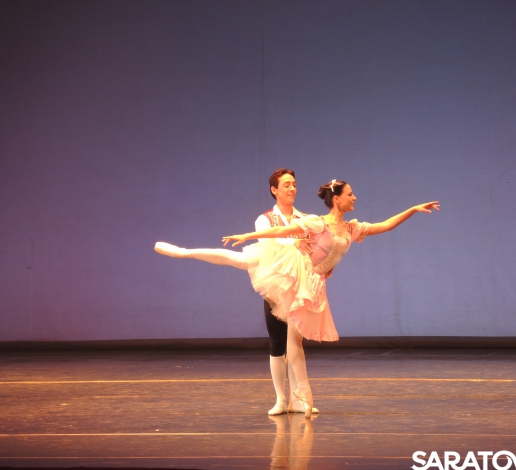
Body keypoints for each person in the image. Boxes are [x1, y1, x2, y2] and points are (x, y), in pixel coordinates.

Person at [155, 180, 440, 418]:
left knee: (295, 340)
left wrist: (413, 209)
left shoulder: (352, 228)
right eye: (350, 194)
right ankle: (183, 252)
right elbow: (281, 230)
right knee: (239, 259)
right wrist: (248, 234)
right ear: (337, 199)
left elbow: (386, 225)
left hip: (313, 280)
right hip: (293, 268)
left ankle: (300, 398)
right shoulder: (317, 222)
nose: (355, 198)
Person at [254, 168, 320, 416]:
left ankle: (298, 399)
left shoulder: (303, 218)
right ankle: (281, 399)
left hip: (299, 287)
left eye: (294, 184)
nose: (292, 189)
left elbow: (314, 247)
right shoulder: (265, 220)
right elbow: (270, 243)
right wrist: (294, 241)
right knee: (277, 342)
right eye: (286, 185)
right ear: (274, 190)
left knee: (296, 342)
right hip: (276, 288)